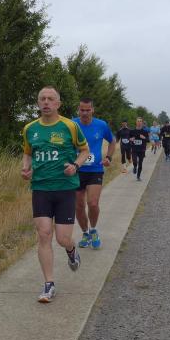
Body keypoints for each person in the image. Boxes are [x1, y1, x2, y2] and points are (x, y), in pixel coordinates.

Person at [22, 86, 90, 302]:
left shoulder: (70, 126)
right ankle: (49, 284)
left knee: (62, 238)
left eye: (50, 99)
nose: (46, 102)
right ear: (38, 103)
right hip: (40, 188)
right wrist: (26, 168)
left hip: (65, 188)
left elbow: (85, 150)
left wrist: (76, 166)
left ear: (58, 104)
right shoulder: (30, 128)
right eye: (42, 98)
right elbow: (28, 153)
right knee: (44, 234)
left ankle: (71, 250)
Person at [72, 98, 115, 250]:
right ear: (78, 110)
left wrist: (108, 157)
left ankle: (94, 230)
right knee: (79, 206)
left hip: (95, 170)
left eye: (87, 110)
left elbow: (112, 141)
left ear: (92, 110)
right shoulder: (72, 124)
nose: (84, 113)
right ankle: (85, 233)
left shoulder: (101, 125)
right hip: (76, 170)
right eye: (82, 110)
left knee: (93, 203)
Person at [129, 117, 150, 181]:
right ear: (136, 122)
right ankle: (135, 166)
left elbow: (148, 140)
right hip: (134, 149)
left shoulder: (144, 132)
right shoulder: (132, 131)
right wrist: (131, 139)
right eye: (138, 121)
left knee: (140, 163)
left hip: (142, 149)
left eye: (140, 121)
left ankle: (138, 176)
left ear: (142, 123)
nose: (139, 122)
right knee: (134, 160)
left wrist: (144, 138)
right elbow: (128, 138)